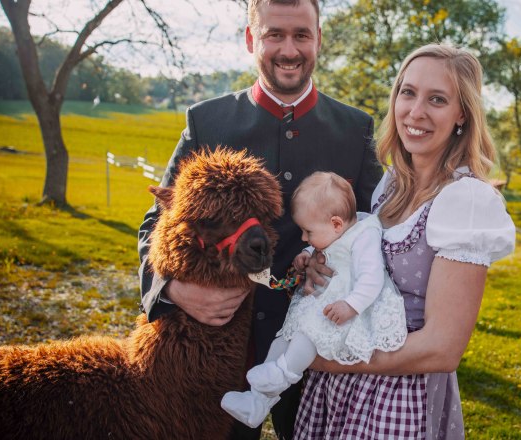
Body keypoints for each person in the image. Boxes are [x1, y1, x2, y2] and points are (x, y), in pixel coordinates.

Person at [136, 0, 383, 438]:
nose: (289, 49)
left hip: (319, 352)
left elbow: (375, 229)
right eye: (275, 35)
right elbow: (156, 222)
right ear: (252, 39)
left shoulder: (356, 128)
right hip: (221, 355)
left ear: (318, 40)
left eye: (302, 35)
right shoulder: (206, 122)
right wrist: (171, 289)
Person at [295, 44, 516, 439]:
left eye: (437, 99)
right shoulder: (391, 184)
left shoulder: (466, 200)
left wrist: (327, 359)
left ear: (462, 113)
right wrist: (322, 260)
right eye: (407, 92)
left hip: (401, 396)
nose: (416, 112)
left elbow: (442, 348)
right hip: (342, 390)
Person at [221, 171, 407, 428]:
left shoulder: (365, 235)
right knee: (284, 337)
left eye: (307, 232)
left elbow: (372, 278)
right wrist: (307, 253)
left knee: (306, 337)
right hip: (321, 301)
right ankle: (257, 401)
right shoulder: (335, 229)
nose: (303, 238)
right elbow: (326, 243)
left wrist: (351, 305)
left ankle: (283, 374)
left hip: (344, 308)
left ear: (337, 224)